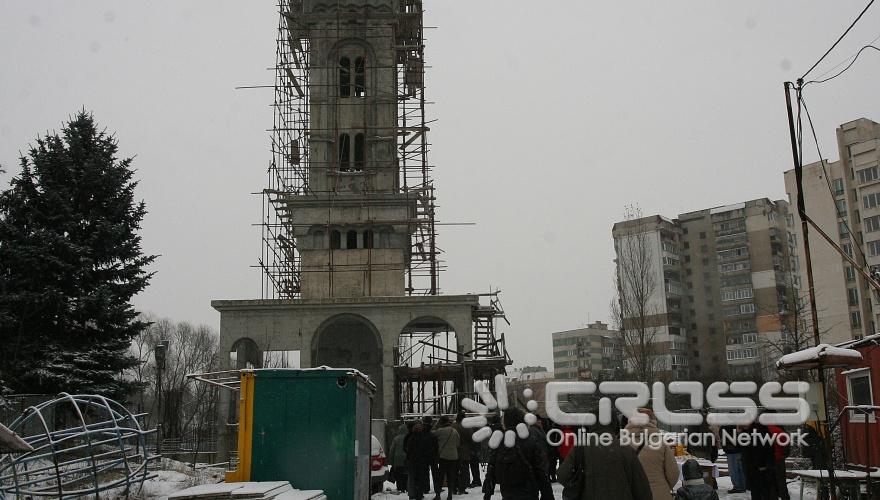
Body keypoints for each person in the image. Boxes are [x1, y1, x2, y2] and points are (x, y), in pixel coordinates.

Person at [557, 420, 652, 500]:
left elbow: (562, 475)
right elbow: (642, 488)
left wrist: (582, 485)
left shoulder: (581, 447)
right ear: (614, 423)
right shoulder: (626, 449)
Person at [483, 408, 554, 500]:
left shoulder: (501, 440)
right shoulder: (530, 439)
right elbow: (540, 468)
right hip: (529, 490)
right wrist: (547, 493)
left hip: (507, 490)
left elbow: (491, 466)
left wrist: (488, 493)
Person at [624, 408, 680, 500]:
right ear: (653, 421)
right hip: (659, 493)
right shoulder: (661, 444)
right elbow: (673, 473)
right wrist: (664, 487)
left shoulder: (622, 444)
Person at [741, 422, 777, 500]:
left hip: (760, 465)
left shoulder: (759, 430)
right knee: (757, 490)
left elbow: (766, 449)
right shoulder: (747, 432)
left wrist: (765, 465)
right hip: (754, 466)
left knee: (762, 490)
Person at [406, 420, 438, 500]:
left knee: (415, 479)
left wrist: (410, 457)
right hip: (423, 462)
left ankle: (416, 494)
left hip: (414, 461)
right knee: (421, 479)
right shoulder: (425, 437)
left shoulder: (410, 437)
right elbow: (430, 449)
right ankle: (419, 494)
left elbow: (407, 449)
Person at [432, 415, 461, 500]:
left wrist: (436, 424)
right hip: (454, 457)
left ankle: (438, 495)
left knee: (440, 476)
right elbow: (458, 444)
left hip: (443, 456)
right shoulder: (454, 431)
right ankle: (450, 495)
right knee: (451, 476)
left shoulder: (440, 431)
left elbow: (431, 432)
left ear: (441, 422)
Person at [766, 423, 790, 500]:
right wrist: (783, 455)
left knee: (771, 485)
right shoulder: (780, 431)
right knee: (782, 483)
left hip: (767, 460)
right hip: (779, 459)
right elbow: (786, 447)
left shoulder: (763, 430)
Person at [720, 425, 747, 494]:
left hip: (731, 450)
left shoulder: (726, 426)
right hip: (740, 449)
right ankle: (743, 486)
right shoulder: (740, 424)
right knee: (741, 469)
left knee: (734, 470)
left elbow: (723, 436)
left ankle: (738, 487)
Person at [453, 411, 473, 494]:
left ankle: (454, 487)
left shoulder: (453, 426)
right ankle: (462, 488)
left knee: (454, 470)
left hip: (454, 450)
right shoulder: (467, 426)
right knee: (464, 470)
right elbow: (471, 437)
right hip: (464, 450)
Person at [390, 422, 411, 494]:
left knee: (398, 475)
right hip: (407, 459)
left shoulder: (396, 438)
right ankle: (406, 487)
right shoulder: (409, 437)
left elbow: (392, 451)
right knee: (406, 474)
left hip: (397, 460)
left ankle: (400, 487)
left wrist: (392, 462)